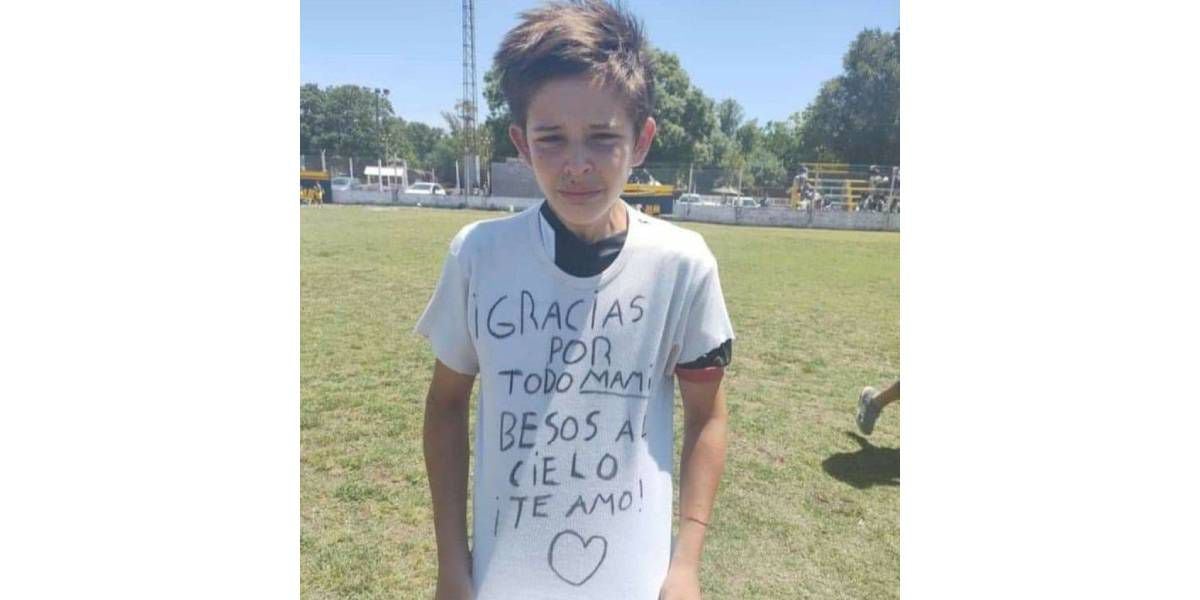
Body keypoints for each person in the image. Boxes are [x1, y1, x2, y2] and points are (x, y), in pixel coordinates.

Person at [416, 2, 735, 599]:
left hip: (634, 583)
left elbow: (707, 416)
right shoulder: (478, 256)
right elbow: (447, 409)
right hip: (501, 582)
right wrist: (451, 566)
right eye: (552, 139)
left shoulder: (683, 265)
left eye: (602, 137)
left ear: (641, 140)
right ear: (521, 141)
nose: (578, 163)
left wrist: (686, 562)